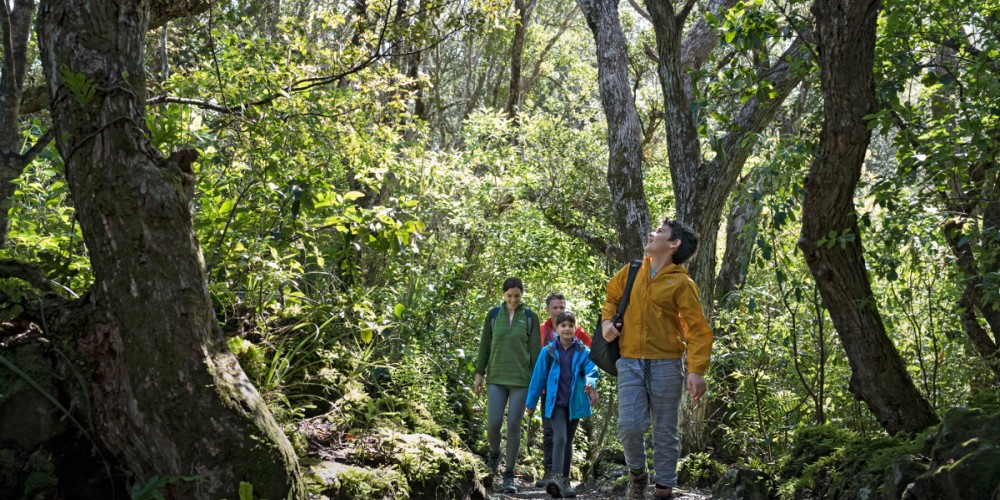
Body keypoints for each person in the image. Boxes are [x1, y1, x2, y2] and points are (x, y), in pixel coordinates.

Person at [601, 218, 713, 499]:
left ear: (673, 244)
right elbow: (612, 297)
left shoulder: (682, 283)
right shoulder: (633, 269)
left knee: (665, 431)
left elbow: (698, 330)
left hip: (667, 364)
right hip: (629, 362)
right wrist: (606, 323)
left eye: (660, 232)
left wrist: (696, 370)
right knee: (629, 426)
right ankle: (637, 474)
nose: (652, 233)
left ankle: (664, 489)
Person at [474, 277, 542, 494]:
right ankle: (495, 454)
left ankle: (509, 474)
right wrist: (479, 373)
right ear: (503, 294)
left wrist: (537, 385)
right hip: (496, 377)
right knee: (493, 423)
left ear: (522, 295)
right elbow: (485, 344)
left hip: (521, 380)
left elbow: (536, 354)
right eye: (509, 295)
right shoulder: (494, 315)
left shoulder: (530, 317)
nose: (513, 299)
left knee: (513, 425)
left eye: (517, 295)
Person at [526, 311, 599, 498]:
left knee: (568, 442)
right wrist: (531, 403)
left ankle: (565, 482)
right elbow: (538, 378)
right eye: (563, 325)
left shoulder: (583, 352)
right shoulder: (548, 351)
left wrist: (591, 384)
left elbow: (592, 370)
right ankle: (557, 477)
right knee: (560, 438)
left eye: (570, 325)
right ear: (556, 329)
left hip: (574, 404)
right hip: (556, 403)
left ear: (575, 328)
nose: (566, 329)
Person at [535, 293, 593, 487]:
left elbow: (591, 359)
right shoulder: (541, 330)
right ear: (548, 309)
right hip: (549, 393)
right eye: (555, 307)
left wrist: (591, 384)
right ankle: (550, 473)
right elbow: (535, 359)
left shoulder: (579, 337)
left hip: (572, 397)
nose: (558, 311)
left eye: (562, 307)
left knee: (565, 438)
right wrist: (532, 396)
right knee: (550, 433)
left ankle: (561, 478)